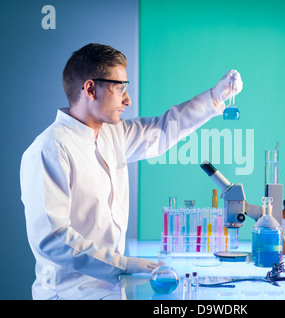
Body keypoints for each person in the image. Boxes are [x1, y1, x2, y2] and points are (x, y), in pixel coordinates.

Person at [20, 43, 243, 300]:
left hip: (112, 289)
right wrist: (122, 264)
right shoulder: (50, 149)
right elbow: (52, 237)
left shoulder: (112, 133)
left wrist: (214, 98)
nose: (128, 100)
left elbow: (162, 130)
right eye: (120, 88)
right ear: (91, 89)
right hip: (70, 294)